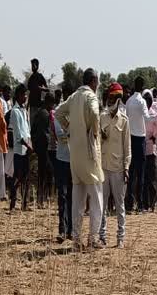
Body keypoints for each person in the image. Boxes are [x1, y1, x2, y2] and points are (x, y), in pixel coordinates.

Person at [55, 68, 104, 250]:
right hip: (90, 154)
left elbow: (58, 112)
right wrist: (93, 130)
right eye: (97, 81)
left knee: (77, 198)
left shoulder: (74, 96)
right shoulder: (90, 96)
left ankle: (76, 240)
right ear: (93, 81)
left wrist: (70, 129)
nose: (98, 85)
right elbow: (93, 112)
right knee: (97, 198)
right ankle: (93, 238)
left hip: (74, 154)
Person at [99, 83, 131, 248]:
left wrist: (126, 168)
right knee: (102, 205)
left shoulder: (124, 120)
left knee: (120, 205)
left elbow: (128, 147)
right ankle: (102, 237)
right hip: (103, 168)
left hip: (119, 169)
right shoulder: (102, 117)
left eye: (114, 98)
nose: (110, 100)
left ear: (119, 100)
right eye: (109, 97)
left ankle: (120, 238)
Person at [125, 76, 150, 213]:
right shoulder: (142, 101)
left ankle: (129, 204)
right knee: (141, 174)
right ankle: (140, 205)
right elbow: (146, 117)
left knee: (131, 172)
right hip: (140, 139)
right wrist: (156, 117)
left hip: (130, 139)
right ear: (142, 87)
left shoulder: (129, 101)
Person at [53, 87, 73, 242]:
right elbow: (60, 134)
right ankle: (62, 229)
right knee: (62, 195)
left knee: (73, 196)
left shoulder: (75, 113)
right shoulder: (58, 112)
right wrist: (71, 133)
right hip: (61, 159)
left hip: (73, 159)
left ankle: (71, 230)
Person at [9, 85, 33, 212]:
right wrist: (27, 145)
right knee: (17, 177)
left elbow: (27, 130)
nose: (26, 97)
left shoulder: (24, 110)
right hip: (19, 149)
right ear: (18, 95)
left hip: (26, 148)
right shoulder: (15, 111)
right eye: (24, 95)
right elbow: (18, 134)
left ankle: (24, 203)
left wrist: (30, 143)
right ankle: (12, 203)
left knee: (26, 177)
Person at [143, 91, 157, 212]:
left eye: (147, 101)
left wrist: (154, 136)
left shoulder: (153, 115)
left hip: (154, 150)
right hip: (144, 150)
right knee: (146, 177)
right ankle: (148, 205)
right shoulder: (142, 115)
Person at [31, 93, 54, 208]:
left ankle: (42, 198)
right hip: (44, 148)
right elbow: (44, 133)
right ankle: (41, 199)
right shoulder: (45, 114)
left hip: (40, 147)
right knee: (45, 173)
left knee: (44, 173)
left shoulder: (39, 112)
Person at [27, 58, 48, 124]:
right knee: (32, 124)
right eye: (32, 66)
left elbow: (46, 88)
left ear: (37, 66)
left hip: (39, 105)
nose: (32, 67)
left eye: (34, 65)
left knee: (38, 124)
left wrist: (41, 88)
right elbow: (30, 92)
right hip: (32, 105)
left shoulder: (40, 76)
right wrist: (27, 106)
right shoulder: (31, 78)